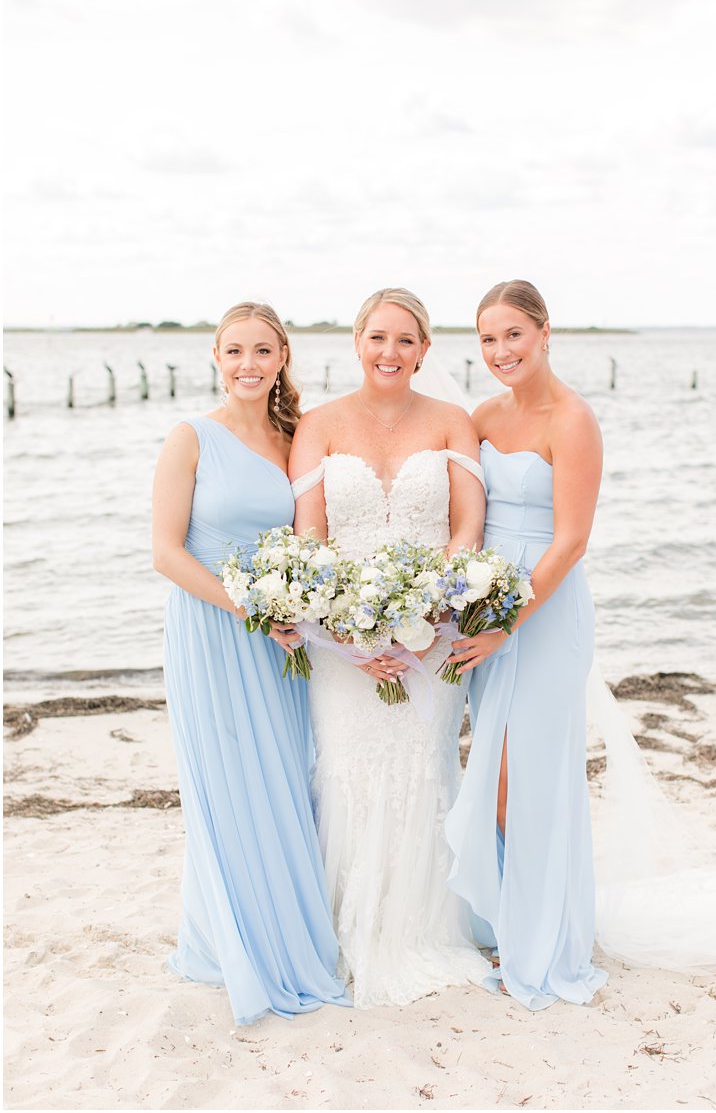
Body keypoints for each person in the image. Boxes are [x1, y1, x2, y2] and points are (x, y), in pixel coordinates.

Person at [288, 287, 490, 1007]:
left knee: (420, 769)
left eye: (406, 340)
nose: (390, 352)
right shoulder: (317, 423)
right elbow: (311, 535)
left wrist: (434, 609)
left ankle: (421, 931)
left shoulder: (452, 422)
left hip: (431, 638)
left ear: (425, 350)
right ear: (356, 342)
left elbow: (467, 527)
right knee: (344, 769)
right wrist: (344, 629)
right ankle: (347, 931)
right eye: (378, 337)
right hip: (344, 644)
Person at [150, 301, 348, 1024]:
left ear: (282, 356)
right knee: (228, 780)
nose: (247, 364)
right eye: (234, 351)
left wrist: (305, 610)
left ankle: (290, 926)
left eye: (261, 351)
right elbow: (166, 552)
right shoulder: (190, 437)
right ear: (215, 356)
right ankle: (234, 936)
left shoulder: (295, 436)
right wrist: (249, 611)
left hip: (281, 638)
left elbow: (311, 534)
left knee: (284, 776)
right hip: (213, 630)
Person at [442, 279, 610, 1008]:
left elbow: (571, 539)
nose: (501, 351)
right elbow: (466, 520)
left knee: (525, 778)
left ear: (545, 332)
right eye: (487, 339)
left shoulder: (572, 420)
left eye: (513, 334)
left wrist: (511, 620)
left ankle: (542, 937)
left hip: (542, 615)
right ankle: (513, 918)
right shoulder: (480, 417)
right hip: (487, 612)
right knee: (496, 773)